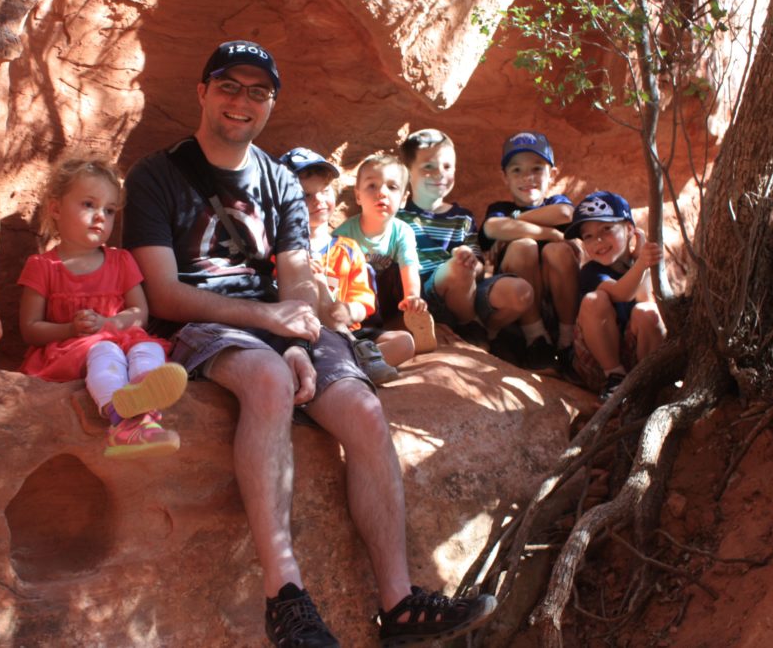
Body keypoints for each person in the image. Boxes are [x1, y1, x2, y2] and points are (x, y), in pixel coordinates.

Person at [123, 40, 496, 647]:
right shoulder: (156, 175)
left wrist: (291, 331)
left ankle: (399, 602)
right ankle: (286, 597)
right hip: (202, 320)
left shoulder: (278, 181)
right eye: (229, 86)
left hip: (277, 319)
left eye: (258, 92)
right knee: (268, 382)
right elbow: (164, 294)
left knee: (363, 410)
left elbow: (297, 276)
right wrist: (272, 328)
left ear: (271, 102)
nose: (242, 102)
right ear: (202, 91)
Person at [17, 158, 188, 458]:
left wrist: (108, 325)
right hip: (73, 347)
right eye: (88, 204)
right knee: (105, 353)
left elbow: (139, 314)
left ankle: (145, 406)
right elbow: (29, 329)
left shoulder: (121, 261)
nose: (101, 217)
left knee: (149, 350)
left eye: (109, 210)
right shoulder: (43, 266)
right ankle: (120, 419)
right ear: (55, 208)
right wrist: (70, 329)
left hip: (117, 337)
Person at [279, 146, 414, 384]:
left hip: (352, 330)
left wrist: (349, 311)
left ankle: (348, 363)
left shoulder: (348, 248)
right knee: (315, 280)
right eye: (306, 196)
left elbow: (365, 301)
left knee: (405, 342)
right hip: (309, 333)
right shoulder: (281, 250)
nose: (318, 200)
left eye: (324, 190)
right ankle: (354, 361)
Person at [397, 128, 533, 351]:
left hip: (468, 293)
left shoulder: (463, 217)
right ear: (408, 171)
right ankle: (470, 328)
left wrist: (471, 261)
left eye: (447, 167)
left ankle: (486, 331)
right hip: (428, 297)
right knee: (457, 267)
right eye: (428, 167)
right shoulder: (400, 218)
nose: (440, 173)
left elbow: (478, 269)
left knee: (520, 292)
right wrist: (459, 265)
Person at [479, 131, 579, 370]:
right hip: (519, 302)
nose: (527, 177)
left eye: (536, 169)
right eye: (516, 170)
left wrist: (516, 222)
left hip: (558, 300)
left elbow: (565, 214)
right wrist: (550, 233)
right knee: (525, 247)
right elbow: (493, 227)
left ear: (552, 174)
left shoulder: (557, 202)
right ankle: (536, 338)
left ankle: (567, 340)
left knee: (557, 251)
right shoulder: (499, 208)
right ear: (505, 177)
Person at [565, 190, 666, 401]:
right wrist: (641, 264)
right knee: (594, 300)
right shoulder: (591, 271)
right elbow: (621, 293)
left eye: (607, 228)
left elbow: (645, 301)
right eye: (588, 236)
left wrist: (641, 263)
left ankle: (648, 383)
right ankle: (616, 377)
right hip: (599, 366)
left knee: (648, 312)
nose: (598, 240)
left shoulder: (640, 264)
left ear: (630, 229)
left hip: (637, 356)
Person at [332, 153, 437, 354]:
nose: (382, 193)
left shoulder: (402, 231)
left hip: (390, 300)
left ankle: (407, 321)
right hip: (358, 302)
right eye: (372, 186)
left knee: (398, 271)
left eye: (392, 187)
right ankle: (364, 333)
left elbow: (409, 267)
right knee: (356, 269)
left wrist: (412, 296)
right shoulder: (343, 235)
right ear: (358, 196)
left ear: (404, 199)